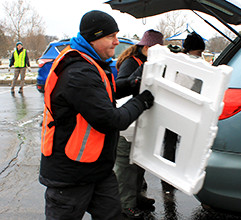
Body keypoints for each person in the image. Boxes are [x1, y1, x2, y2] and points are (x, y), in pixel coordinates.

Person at [39, 10, 154, 220]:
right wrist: (142, 101)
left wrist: (130, 85)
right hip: (70, 175)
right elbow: (110, 119)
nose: (116, 42)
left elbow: (102, 92)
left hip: (97, 170)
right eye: (110, 36)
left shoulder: (91, 63)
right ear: (93, 38)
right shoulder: (78, 72)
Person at [114, 29, 163, 219]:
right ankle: (125, 206)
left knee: (138, 162)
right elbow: (122, 88)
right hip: (127, 122)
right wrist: (138, 79)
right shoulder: (131, 63)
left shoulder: (147, 62)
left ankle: (136, 198)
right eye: (151, 48)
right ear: (144, 47)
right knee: (125, 166)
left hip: (139, 119)